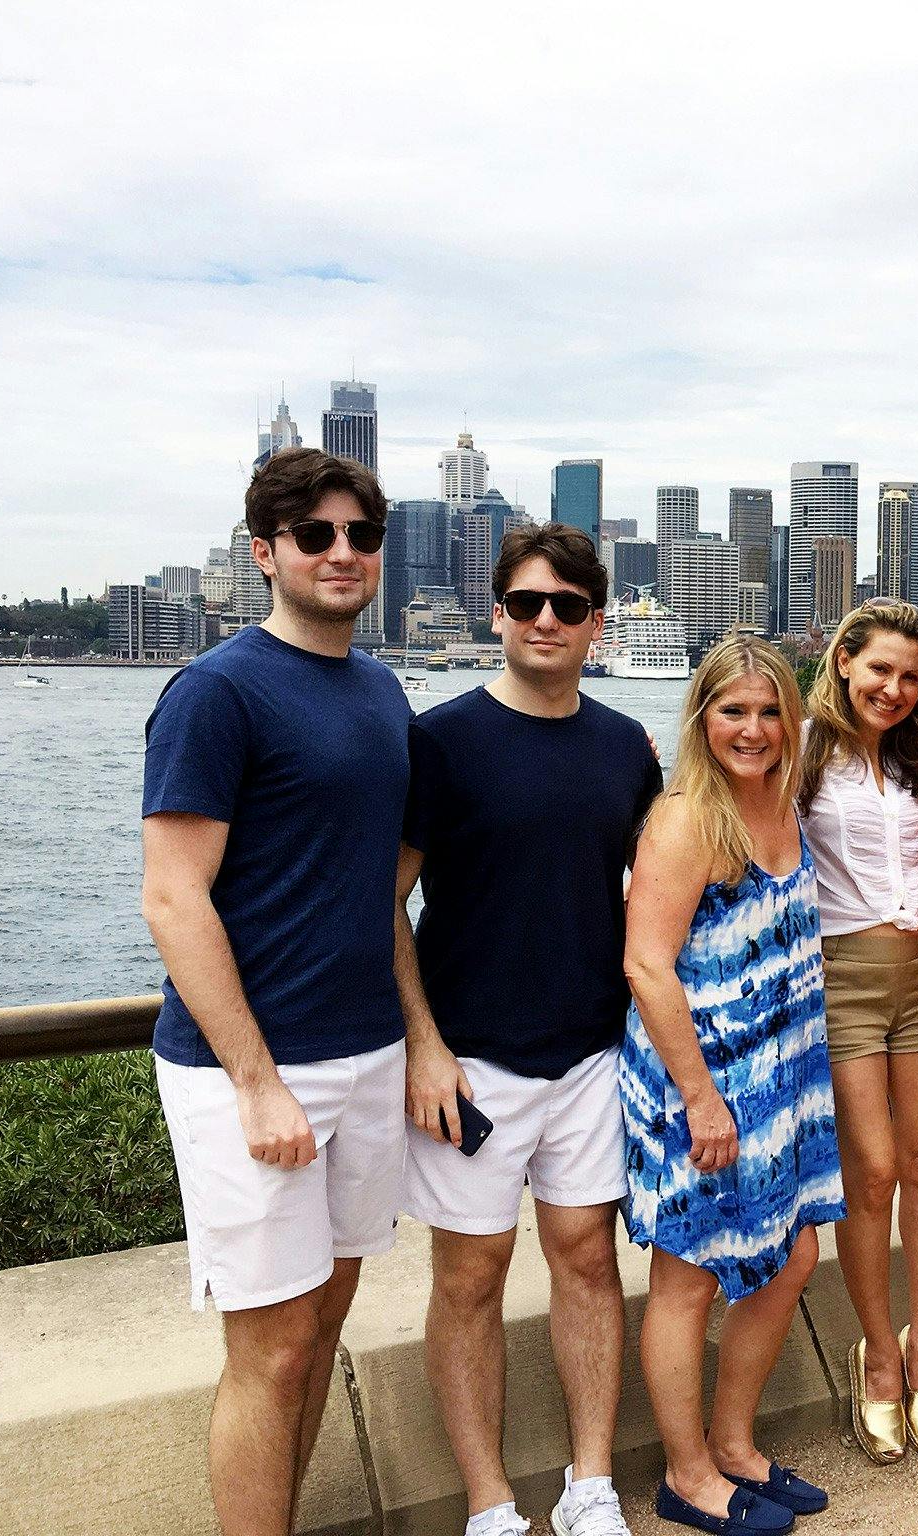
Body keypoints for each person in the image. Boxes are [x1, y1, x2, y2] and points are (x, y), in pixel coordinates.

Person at [140, 447, 410, 1536]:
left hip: (368, 1052)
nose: (341, 553)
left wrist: (419, 1041)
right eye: (314, 535)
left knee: (325, 1323)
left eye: (361, 535)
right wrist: (255, 1083)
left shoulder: (381, 689)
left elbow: (385, 888)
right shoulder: (216, 692)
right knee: (273, 1346)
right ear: (264, 553)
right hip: (249, 1071)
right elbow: (173, 898)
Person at [396, 525, 663, 1536]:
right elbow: (387, 902)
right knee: (469, 1277)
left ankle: (590, 1485)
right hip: (469, 1058)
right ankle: (489, 1503)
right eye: (525, 603)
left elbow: (661, 887)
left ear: (596, 623)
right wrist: (423, 1047)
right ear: (497, 613)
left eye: (567, 606)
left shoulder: (624, 747)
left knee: (588, 1261)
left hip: (593, 1051)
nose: (545, 620)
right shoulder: (440, 740)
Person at [622, 635, 845, 1536]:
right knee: (688, 1279)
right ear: (702, 718)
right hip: (702, 1080)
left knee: (794, 1255)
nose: (752, 730)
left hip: (783, 1078)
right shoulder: (687, 819)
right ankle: (686, 1476)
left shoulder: (783, 802)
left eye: (768, 712)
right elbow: (646, 965)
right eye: (732, 712)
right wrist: (701, 1098)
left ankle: (735, 1445)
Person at [796, 600, 918, 1466]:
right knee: (876, 1168)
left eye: (911, 677)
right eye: (880, 669)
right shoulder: (801, 752)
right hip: (844, 979)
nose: (893, 689)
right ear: (844, 660)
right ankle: (878, 1354)